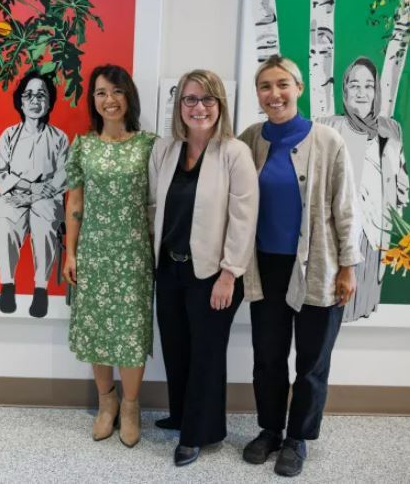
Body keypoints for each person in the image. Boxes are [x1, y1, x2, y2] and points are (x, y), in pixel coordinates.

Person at [239, 55, 360, 477]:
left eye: (282, 85)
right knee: (268, 357)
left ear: (299, 88)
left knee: (311, 361)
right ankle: (270, 429)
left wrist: (348, 266)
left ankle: (297, 439)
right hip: (266, 267)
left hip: (319, 267)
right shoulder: (250, 139)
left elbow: (346, 209)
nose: (274, 94)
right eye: (265, 87)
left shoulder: (328, 141)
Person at [148, 70, 259, 466]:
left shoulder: (234, 153)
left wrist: (230, 273)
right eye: (191, 99)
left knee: (206, 355)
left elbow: (244, 218)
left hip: (214, 273)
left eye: (208, 99)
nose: (199, 107)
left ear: (220, 106)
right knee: (176, 348)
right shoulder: (165, 149)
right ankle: (181, 415)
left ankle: (197, 434)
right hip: (170, 269)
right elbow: (154, 206)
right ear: (179, 106)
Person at [63, 64, 156, 447]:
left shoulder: (149, 144)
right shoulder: (82, 146)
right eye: (101, 92)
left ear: (128, 96)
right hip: (95, 251)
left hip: (135, 253)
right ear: (93, 100)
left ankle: (131, 407)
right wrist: (70, 253)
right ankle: (107, 404)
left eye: (116, 91)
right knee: (97, 329)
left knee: (132, 332)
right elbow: (75, 201)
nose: (109, 100)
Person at [317, 56, 409, 321]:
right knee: (333, 305)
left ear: (376, 91)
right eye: (354, 85)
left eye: (368, 85)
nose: (361, 92)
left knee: (365, 299)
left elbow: (401, 179)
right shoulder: (329, 126)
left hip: (377, 230)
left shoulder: (390, 129)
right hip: (341, 231)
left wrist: (397, 209)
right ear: (345, 90)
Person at [0, 71, 69, 317]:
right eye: (29, 95)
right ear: (21, 101)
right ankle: (7, 284)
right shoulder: (8, 136)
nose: (35, 100)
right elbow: (0, 173)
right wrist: (25, 188)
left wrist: (40, 191)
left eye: (41, 95)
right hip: (15, 195)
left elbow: (64, 173)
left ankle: (41, 290)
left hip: (46, 197)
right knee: (6, 221)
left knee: (44, 222)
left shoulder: (59, 138)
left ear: (49, 102)